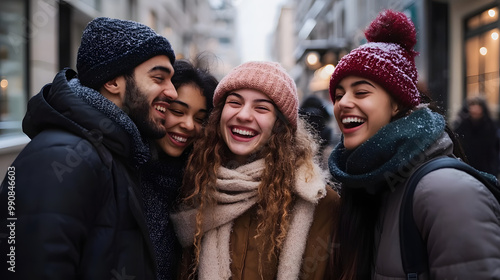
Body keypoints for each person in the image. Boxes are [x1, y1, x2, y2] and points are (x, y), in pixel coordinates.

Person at [327, 10, 500, 279]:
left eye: (361, 92)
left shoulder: (447, 192)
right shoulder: (368, 185)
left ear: (397, 104)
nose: (343, 103)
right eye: (339, 94)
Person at [0, 17, 177, 279]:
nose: (172, 92)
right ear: (113, 82)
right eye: (159, 77)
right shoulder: (61, 156)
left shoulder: (118, 151)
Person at [170, 61, 340, 280]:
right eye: (234, 103)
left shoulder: (317, 202)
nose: (243, 115)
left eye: (261, 108)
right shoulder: (196, 185)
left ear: (280, 125)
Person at [139, 57, 218, 280]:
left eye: (200, 118)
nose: (189, 125)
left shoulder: (200, 180)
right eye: (177, 111)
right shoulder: (125, 168)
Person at [454, 96, 499, 176]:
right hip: (466, 169)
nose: (475, 109)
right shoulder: (461, 126)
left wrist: (494, 169)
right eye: (472, 105)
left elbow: (496, 149)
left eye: (478, 106)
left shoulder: (491, 126)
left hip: (487, 170)